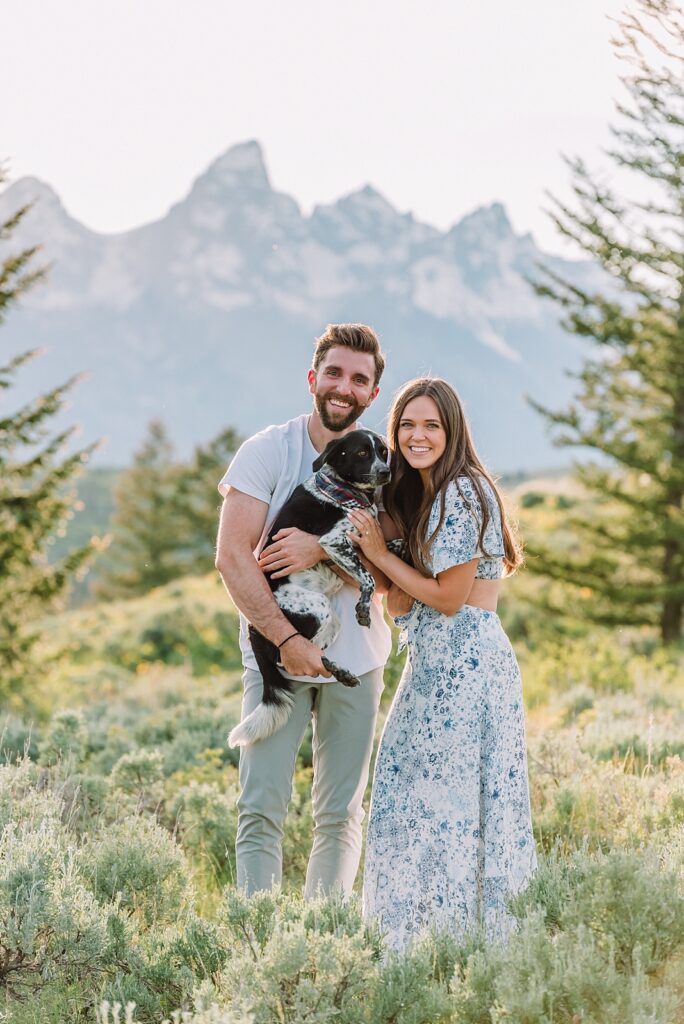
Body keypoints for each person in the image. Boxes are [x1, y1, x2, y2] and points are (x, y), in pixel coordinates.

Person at [347, 377, 536, 950]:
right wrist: (381, 557)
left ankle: (459, 949)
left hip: (467, 667)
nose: (418, 436)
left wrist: (380, 554)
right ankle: (423, 948)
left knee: (452, 810)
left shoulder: (464, 490)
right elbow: (403, 599)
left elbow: (450, 598)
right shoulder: (426, 495)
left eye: (432, 425)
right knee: (415, 802)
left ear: (452, 432)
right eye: (407, 424)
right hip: (432, 665)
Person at [215, 323, 392, 897]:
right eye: (335, 373)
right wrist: (288, 642)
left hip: (358, 661)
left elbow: (395, 570)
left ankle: (323, 947)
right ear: (314, 379)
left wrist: (320, 548)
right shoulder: (268, 451)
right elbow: (232, 559)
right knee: (260, 810)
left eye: (359, 379)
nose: (344, 387)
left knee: (340, 816)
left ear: (372, 394)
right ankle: (257, 945)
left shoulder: (385, 468)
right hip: (279, 648)